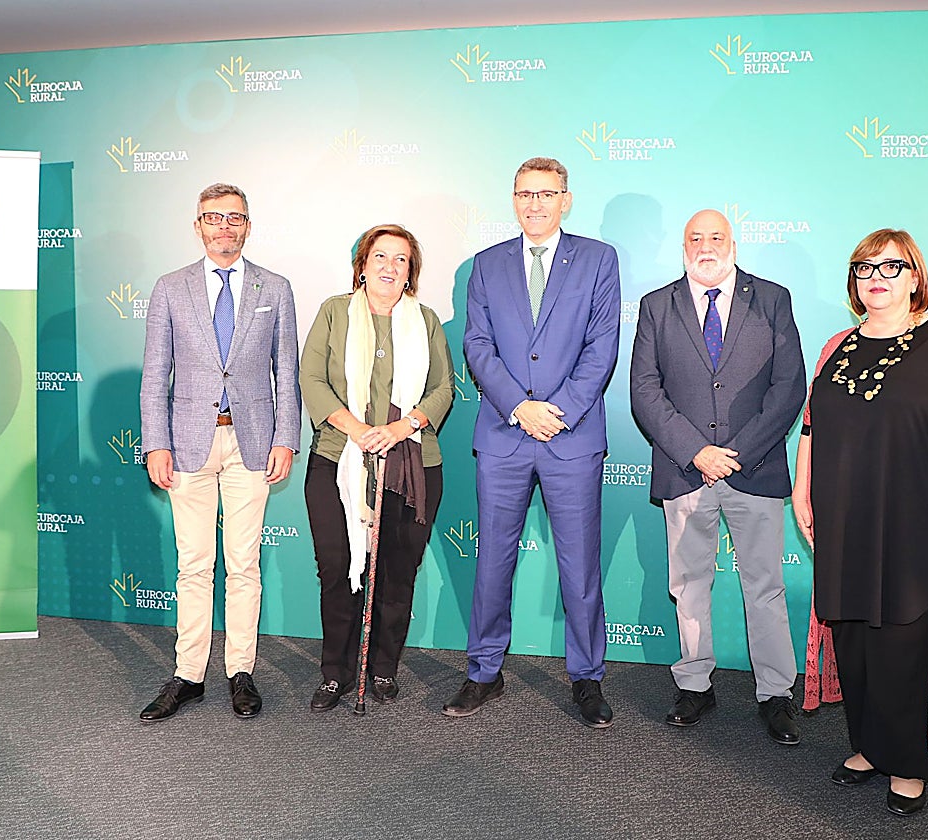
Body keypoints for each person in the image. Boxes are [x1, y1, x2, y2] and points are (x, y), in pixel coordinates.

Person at [796, 229, 928, 815]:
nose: (876, 278)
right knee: (854, 635)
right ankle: (867, 746)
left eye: (890, 267)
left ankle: (907, 762)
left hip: (917, 521)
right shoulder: (836, 344)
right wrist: (801, 489)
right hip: (843, 520)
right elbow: (813, 424)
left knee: (905, 641)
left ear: (915, 276)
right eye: (865, 268)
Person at [446, 157, 621, 728]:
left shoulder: (598, 259)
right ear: (513, 199)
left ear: (566, 199)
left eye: (547, 194)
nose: (535, 204)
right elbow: (476, 345)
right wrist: (519, 407)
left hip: (572, 437)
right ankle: (483, 672)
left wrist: (560, 411)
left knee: (581, 565)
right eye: (525, 193)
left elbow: (602, 345)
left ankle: (588, 678)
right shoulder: (487, 264)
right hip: (504, 434)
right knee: (492, 560)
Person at [629, 208, 806, 743]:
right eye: (695, 238)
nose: (706, 246)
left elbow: (788, 387)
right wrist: (696, 452)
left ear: (734, 242)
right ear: (683, 245)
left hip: (753, 469)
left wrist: (734, 452)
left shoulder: (772, 299)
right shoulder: (656, 305)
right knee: (688, 586)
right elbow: (644, 391)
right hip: (687, 472)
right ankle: (695, 685)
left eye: (716, 237)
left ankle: (776, 693)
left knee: (765, 587)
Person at [138, 183, 301, 722]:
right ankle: (188, 676)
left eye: (234, 218)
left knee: (244, 565)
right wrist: (155, 444)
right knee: (193, 565)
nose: (224, 227)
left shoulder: (275, 288)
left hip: (252, 442)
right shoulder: (169, 287)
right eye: (213, 218)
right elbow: (154, 375)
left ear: (248, 225)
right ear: (198, 226)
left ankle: (240, 672)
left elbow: (287, 373)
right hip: (186, 443)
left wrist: (285, 437)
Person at [299, 223, 454, 711]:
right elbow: (312, 378)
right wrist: (357, 429)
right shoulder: (333, 312)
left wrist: (402, 427)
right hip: (337, 458)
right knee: (338, 569)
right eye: (380, 256)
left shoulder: (425, 320)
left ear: (411, 272)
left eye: (401, 260)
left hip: (411, 465)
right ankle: (335, 673)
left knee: (395, 573)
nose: (390, 266)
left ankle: (383, 667)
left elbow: (443, 389)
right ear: (362, 265)